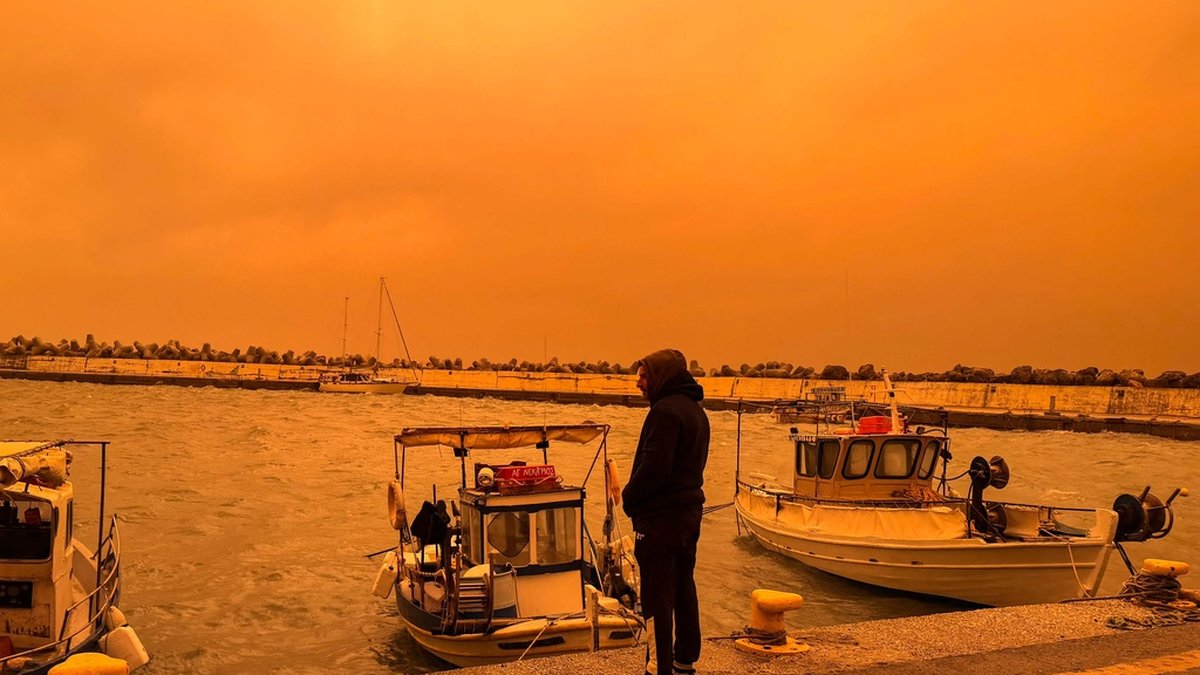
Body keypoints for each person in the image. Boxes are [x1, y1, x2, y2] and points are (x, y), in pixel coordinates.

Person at [622, 348, 710, 675]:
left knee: (657, 597)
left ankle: (657, 667)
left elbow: (654, 470)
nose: (639, 384)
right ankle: (685, 658)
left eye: (644, 377)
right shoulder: (696, 412)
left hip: (660, 520)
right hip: (688, 515)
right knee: (684, 586)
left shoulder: (664, 413)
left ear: (661, 376)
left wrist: (629, 498)